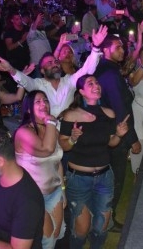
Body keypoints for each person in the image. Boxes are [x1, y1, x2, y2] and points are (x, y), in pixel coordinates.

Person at [58, 75, 130, 249]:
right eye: (90, 83)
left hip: (104, 177)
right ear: (81, 92)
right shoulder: (71, 115)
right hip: (79, 179)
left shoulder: (109, 113)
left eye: (97, 82)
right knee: (81, 230)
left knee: (101, 227)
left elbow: (111, 143)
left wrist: (119, 135)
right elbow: (64, 146)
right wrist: (73, 138)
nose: (96, 85)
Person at [0, 25, 108, 118]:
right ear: (42, 70)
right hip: (47, 131)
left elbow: (87, 70)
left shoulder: (69, 80)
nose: (55, 64)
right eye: (49, 63)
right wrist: (11, 69)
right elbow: (25, 81)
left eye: (56, 62)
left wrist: (96, 47)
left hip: (68, 130)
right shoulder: (38, 84)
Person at [93, 34, 141, 229]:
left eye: (122, 46)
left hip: (110, 132)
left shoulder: (110, 69)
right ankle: (106, 220)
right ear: (106, 50)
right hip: (116, 134)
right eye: (117, 47)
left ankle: (105, 218)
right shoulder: (109, 74)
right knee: (115, 179)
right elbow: (120, 109)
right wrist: (132, 139)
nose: (122, 50)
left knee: (110, 178)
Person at [14, 90, 66, 249]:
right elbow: (47, 149)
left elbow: (57, 162)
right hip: (34, 197)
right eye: (38, 101)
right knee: (46, 241)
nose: (44, 104)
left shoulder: (52, 129)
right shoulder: (23, 132)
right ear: (29, 109)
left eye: (45, 100)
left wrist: (63, 190)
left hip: (55, 191)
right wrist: (51, 122)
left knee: (58, 233)